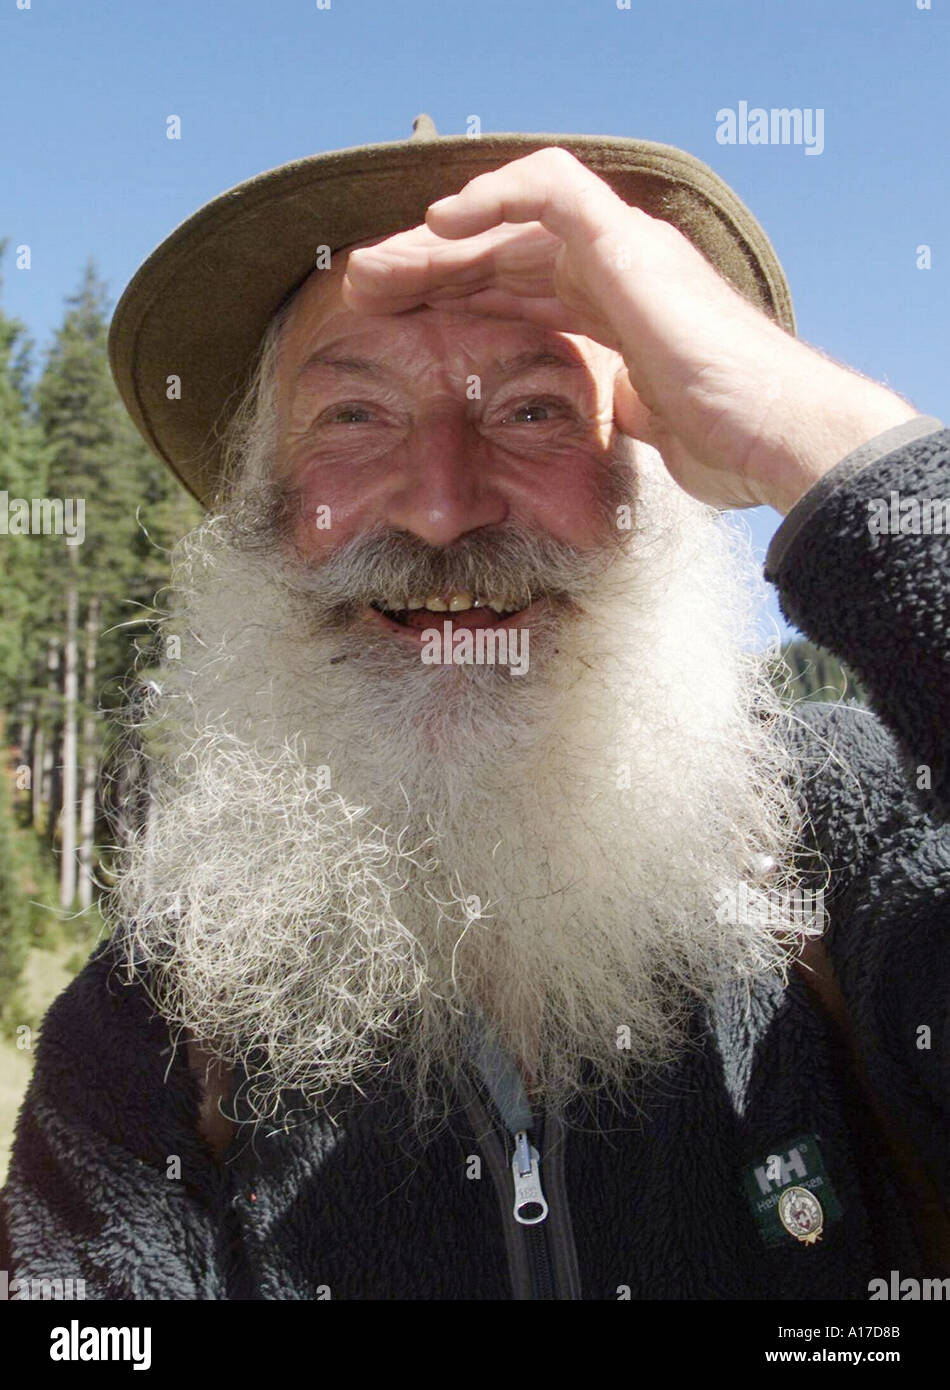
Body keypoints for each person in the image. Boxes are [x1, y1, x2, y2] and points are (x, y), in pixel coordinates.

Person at [2, 118, 947, 1300]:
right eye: (354, 416)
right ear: (261, 509)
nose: (443, 507)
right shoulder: (142, 1035)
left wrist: (825, 445)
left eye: (534, 410)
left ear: (650, 485)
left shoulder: (850, 830)